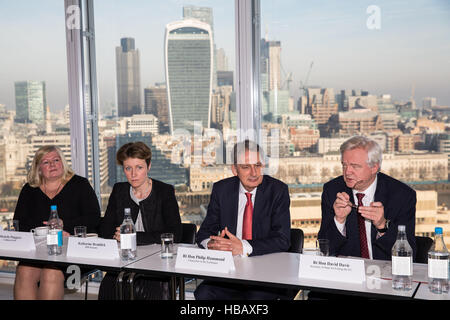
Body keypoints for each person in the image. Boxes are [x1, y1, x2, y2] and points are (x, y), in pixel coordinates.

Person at [194, 139, 291, 300]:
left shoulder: (278, 191)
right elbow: (204, 232)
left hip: (265, 275)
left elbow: (283, 240)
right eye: (246, 167)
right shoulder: (222, 190)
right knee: (203, 293)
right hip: (229, 273)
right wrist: (212, 245)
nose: (254, 173)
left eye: (257, 166)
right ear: (235, 169)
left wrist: (243, 246)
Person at [13, 145, 101, 300]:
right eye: (46, 162)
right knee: (24, 270)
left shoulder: (80, 185)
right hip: (38, 251)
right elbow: (19, 222)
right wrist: (41, 232)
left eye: (56, 160)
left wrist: (65, 226)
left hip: (73, 250)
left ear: (62, 162)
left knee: (51, 272)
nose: (52, 165)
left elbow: (94, 217)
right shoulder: (29, 189)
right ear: (38, 168)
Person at [98, 141, 182, 299]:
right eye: (128, 168)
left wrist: (134, 237)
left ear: (148, 167)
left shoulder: (164, 192)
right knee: (108, 287)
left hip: (157, 263)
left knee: (150, 292)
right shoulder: (119, 190)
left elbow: (175, 233)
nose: (133, 174)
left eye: (139, 167)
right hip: (123, 260)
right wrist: (116, 235)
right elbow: (105, 229)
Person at [318, 136, 417, 260]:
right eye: (344, 165)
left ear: (374, 167)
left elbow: (408, 253)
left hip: (386, 273)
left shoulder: (401, 195)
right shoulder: (332, 191)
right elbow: (324, 248)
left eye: (355, 166)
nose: (347, 172)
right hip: (347, 272)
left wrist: (382, 226)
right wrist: (339, 220)